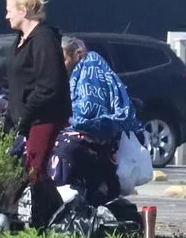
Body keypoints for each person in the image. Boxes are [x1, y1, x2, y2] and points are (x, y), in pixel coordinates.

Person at [50, 35, 139, 212]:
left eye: (63, 59)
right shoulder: (71, 74)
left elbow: (88, 112)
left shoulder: (91, 70)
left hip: (96, 139)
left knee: (63, 150)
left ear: (77, 55)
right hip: (85, 136)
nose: (59, 65)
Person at [2, 0, 67, 224]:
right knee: (21, 168)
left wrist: (25, 113)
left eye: (10, 10)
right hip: (23, 116)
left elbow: (49, 86)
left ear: (25, 9)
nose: (6, 15)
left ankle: (50, 218)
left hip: (43, 115)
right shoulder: (20, 40)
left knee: (34, 169)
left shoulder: (43, 39)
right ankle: (43, 216)